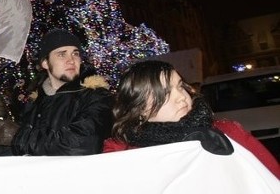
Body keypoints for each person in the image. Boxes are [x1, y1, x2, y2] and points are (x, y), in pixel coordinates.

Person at [104, 60, 280, 177]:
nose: (181, 97)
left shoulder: (228, 133)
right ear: (139, 108)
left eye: (179, 86)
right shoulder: (122, 155)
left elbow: (272, 178)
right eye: (165, 93)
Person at [11, 28, 114, 156]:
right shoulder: (34, 105)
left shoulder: (96, 97)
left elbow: (83, 144)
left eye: (75, 54)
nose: (71, 60)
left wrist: (18, 138)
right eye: (62, 54)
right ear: (45, 63)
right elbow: (11, 157)